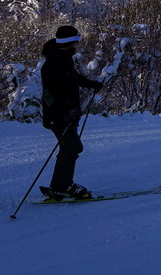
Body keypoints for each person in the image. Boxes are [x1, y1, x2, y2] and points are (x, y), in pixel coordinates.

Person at [40, 25, 103, 200]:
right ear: (70, 41)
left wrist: (91, 84)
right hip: (59, 117)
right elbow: (49, 95)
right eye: (77, 39)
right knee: (73, 147)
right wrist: (65, 112)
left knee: (68, 148)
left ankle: (59, 186)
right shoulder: (53, 63)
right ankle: (62, 186)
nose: (78, 43)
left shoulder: (64, 58)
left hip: (68, 114)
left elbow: (73, 77)